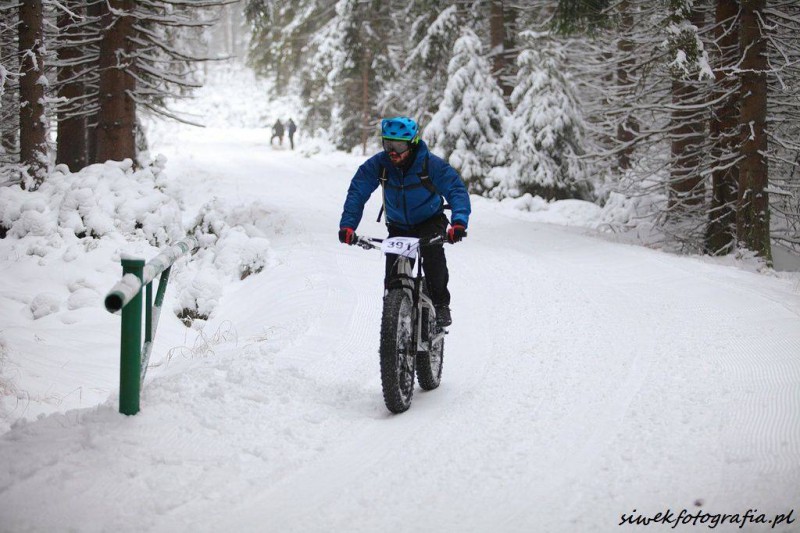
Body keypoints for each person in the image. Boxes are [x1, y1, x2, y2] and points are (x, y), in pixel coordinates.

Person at [338, 116, 470, 327]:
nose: (392, 151)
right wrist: (347, 226)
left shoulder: (429, 164)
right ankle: (395, 318)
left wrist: (459, 223)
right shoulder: (380, 165)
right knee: (393, 276)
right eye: (388, 144)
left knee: (432, 255)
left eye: (398, 145)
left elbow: (456, 190)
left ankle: (441, 304)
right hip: (399, 226)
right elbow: (357, 191)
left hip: (430, 221)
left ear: (412, 143)